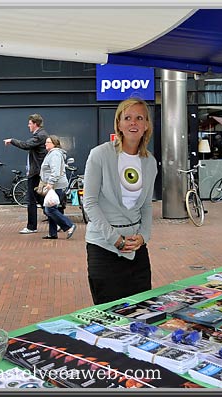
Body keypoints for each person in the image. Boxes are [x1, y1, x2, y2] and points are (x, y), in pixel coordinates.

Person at [83, 98, 157, 305]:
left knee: (142, 310)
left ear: (146, 125)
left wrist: (143, 236)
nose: (133, 123)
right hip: (104, 247)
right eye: (128, 118)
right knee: (110, 314)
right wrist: (115, 239)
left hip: (136, 248)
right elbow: (89, 203)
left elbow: (147, 205)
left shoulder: (149, 162)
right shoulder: (99, 155)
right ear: (119, 124)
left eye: (139, 118)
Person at [4, 114, 48, 234]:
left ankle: (31, 226)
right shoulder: (40, 135)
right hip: (36, 172)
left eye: (30, 123)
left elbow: (25, 145)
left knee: (31, 200)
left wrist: (12, 140)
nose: (28, 125)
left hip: (36, 173)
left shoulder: (40, 136)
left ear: (35, 124)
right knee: (41, 199)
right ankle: (59, 221)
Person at [39, 135, 76, 239]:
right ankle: (52, 233)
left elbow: (55, 171)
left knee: (49, 209)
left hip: (56, 186)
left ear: (54, 144)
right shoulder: (52, 154)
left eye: (48, 142)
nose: (45, 144)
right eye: (46, 142)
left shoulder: (55, 154)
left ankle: (69, 225)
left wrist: (50, 183)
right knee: (54, 208)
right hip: (55, 185)